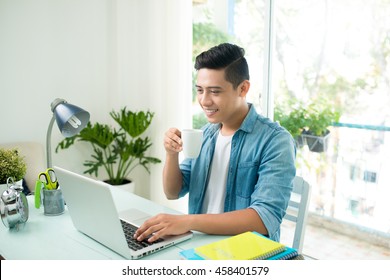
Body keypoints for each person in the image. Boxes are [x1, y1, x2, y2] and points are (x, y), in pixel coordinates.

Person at [134, 43, 296, 243]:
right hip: (199, 243)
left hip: (244, 252)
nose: (204, 100)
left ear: (243, 88)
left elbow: (264, 218)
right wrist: (171, 154)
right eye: (200, 90)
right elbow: (172, 191)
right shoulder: (205, 134)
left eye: (215, 91)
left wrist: (187, 222)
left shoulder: (275, 140)